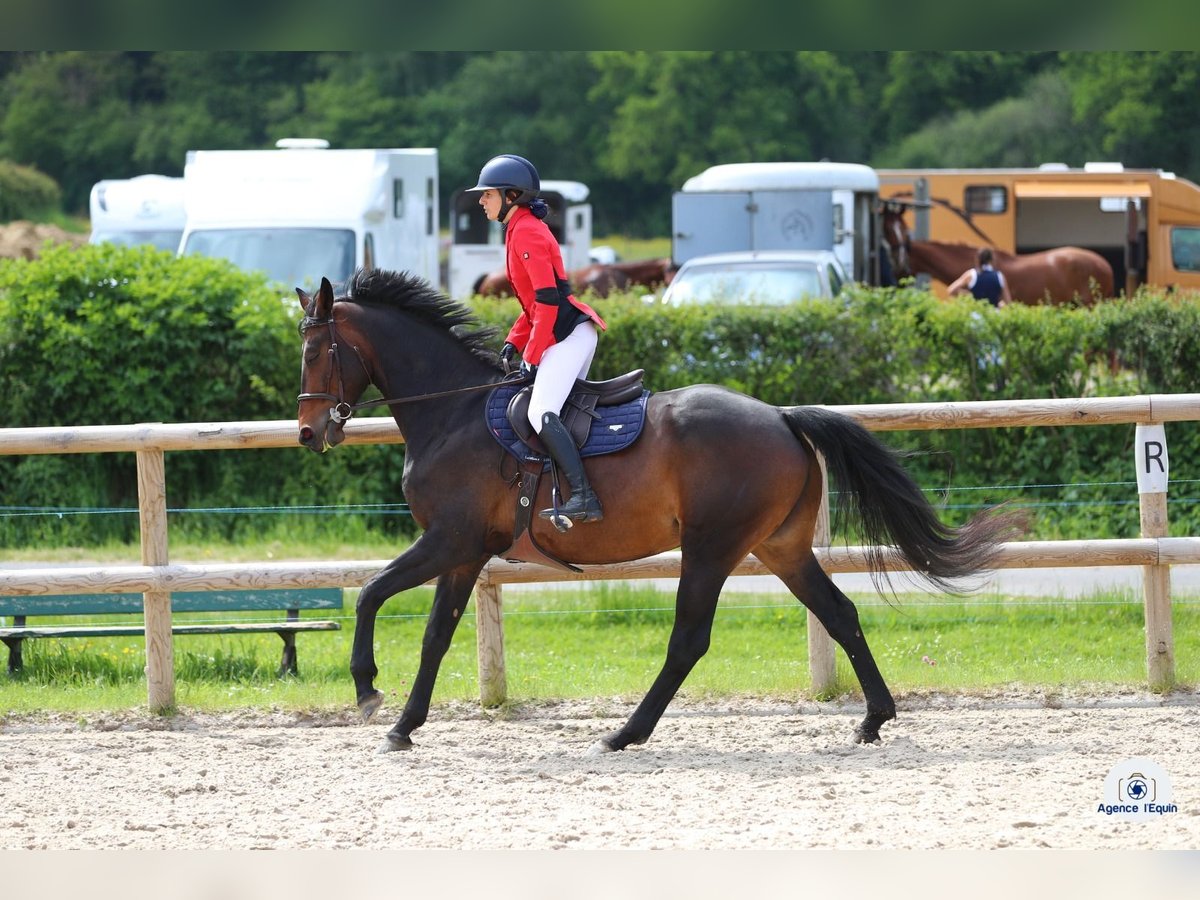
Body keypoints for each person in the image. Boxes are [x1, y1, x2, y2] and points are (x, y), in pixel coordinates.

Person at [468, 153, 607, 524]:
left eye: (488, 194)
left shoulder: (526, 230)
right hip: (565, 332)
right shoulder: (518, 229)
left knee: (540, 411)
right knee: (552, 410)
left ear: (511, 196)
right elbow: (532, 304)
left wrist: (532, 353)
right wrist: (515, 341)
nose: (481, 200)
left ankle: (584, 496)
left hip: (569, 336)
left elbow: (547, 300)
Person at [947, 247, 1012, 308]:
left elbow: (951, 290)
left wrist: (970, 295)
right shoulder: (999, 276)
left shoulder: (971, 274)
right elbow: (1008, 301)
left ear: (978, 259)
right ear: (992, 260)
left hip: (975, 314)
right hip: (993, 315)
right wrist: (998, 304)